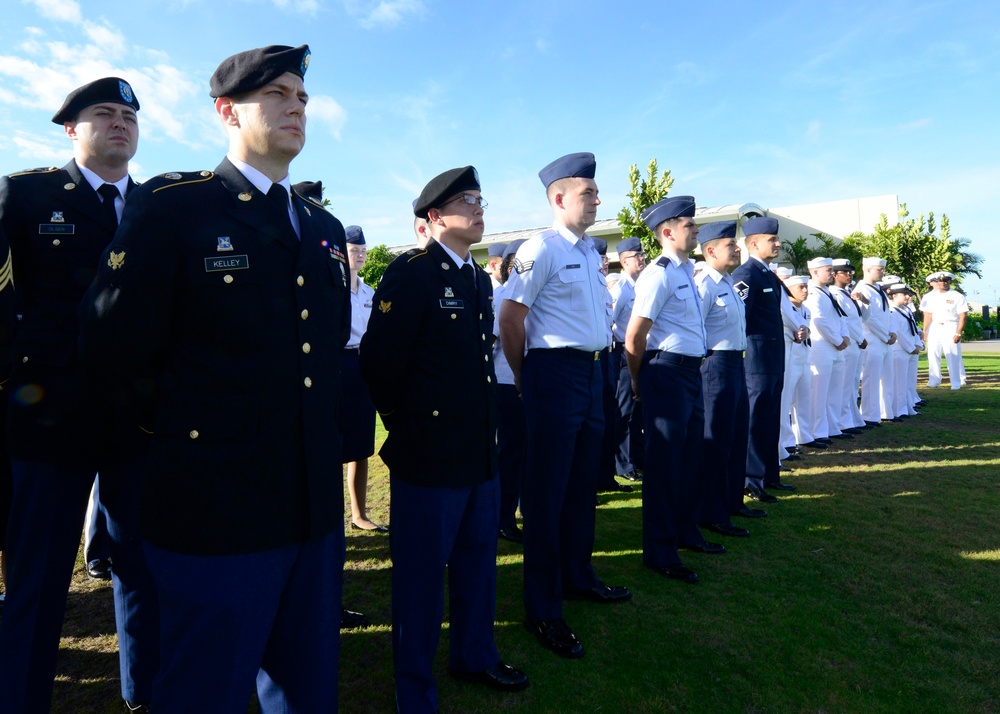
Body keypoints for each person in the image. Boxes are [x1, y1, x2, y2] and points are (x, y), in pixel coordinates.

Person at [79, 45, 350, 713]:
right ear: (227, 110)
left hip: (312, 510)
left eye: (303, 98)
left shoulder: (320, 225)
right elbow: (109, 348)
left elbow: (325, 351)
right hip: (215, 510)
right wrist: (182, 436)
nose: (297, 107)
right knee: (206, 690)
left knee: (306, 689)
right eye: (279, 94)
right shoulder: (175, 209)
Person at [0, 76, 158, 713]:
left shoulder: (158, 205)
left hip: (138, 420)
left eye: (129, 115)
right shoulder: (28, 193)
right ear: (72, 129)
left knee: (141, 564)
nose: (120, 123)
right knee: (37, 576)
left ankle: (143, 691)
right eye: (104, 113)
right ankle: (20, 698)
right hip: (49, 416)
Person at [360, 166, 528, 712]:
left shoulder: (478, 279)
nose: (480, 209)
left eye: (481, 199)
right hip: (430, 456)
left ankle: (474, 655)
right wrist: (412, 426)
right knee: (420, 580)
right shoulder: (411, 273)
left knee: (479, 563)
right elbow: (379, 362)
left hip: (478, 451)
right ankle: (415, 690)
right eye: (467, 201)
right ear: (435, 217)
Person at [499, 152, 631, 661]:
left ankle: (578, 577)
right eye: (588, 193)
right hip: (552, 373)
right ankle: (542, 608)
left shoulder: (591, 253)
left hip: (592, 372)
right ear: (558, 198)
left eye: (597, 193)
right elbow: (511, 318)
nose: (597, 199)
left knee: (582, 487)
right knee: (546, 496)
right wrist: (526, 377)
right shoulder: (542, 248)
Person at [625, 195, 717, 586]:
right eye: (689, 225)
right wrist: (636, 380)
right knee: (664, 466)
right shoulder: (659, 274)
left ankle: (685, 532)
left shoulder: (684, 271)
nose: (695, 230)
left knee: (690, 457)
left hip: (690, 373)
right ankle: (660, 552)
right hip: (665, 373)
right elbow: (635, 335)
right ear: (667, 232)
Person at [694, 221, 751, 539]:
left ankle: (732, 502)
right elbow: (696, 327)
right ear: (711, 250)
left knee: (736, 435)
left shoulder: (728, 283)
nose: (737, 248)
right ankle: (712, 512)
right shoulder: (705, 285)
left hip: (736, 364)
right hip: (715, 366)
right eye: (731, 245)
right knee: (715, 441)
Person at [731, 216, 789, 503]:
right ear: (754, 243)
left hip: (773, 359)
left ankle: (768, 474)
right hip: (756, 360)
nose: (777, 243)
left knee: (770, 415)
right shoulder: (747, 274)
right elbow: (739, 317)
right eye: (772, 240)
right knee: (755, 418)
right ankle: (751, 479)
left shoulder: (767, 273)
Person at [340, 224, 386, 533]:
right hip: (338, 364)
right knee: (333, 444)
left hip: (363, 365)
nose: (359, 256)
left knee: (361, 445)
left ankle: (359, 514)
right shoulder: (333, 290)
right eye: (354, 250)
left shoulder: (370, 293)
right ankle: (331, 514)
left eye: (363, 251)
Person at [494, 239, 528, 543]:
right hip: (506, 383)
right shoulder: (504, 295)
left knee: (526, 453)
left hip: (528, 382)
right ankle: (503, 517)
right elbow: (493, 341)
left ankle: (524, 511)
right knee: (511, 454)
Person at [609, 236, 646, 482]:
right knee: (625, 410)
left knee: (638, 410)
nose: (642, 258)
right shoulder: (621, 288)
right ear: (624, 262)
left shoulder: (640, 286)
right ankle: (623, 464)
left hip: (639, 351)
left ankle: (637, 458)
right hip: (624, 352)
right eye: (636, 256)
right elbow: (608, 319)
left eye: (642, 254)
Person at [804, 258, 850, 445]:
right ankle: (817, 431)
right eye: (828, 270)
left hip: (835, 345)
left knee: (835, 390)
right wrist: (838, 339)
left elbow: (840, 317)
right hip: (822, 345)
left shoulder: (826, 292)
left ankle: (832, 427)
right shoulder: (812, 293)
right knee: (819, 391)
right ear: (815, 272)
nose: (832, 273)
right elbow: (818, 320)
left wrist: (844, 337)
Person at [855, 257, 896, 424]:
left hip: (884, 338)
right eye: (879, 269)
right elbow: (868, 319)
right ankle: (869, 414)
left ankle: (885, 412)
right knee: (871, 378)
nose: (883, 272)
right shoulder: (861, 289)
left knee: (887, 378)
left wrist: (892, 332)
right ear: (867, 269)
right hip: (872, 338)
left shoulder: (878, 288)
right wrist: (886, 335)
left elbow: (888, 313)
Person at [830, 259, 866, 434]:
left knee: (852, 384)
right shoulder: (835, 294)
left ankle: (851, 418)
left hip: (855, 344)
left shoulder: (848, 294)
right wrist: (860, 338)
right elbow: (845, 323)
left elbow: (861, 318)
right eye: (845, 272)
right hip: (849, 343)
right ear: (835, 275)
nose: (850, 275)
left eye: (851, 272)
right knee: (844, 385)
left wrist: (863, 301)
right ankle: (843, 422)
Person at [779, 275, 813, 452]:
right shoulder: (784, 308)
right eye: (800, 287)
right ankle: (785, 442)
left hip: (804, 357)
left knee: (804, 398)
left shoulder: (806, 309)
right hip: (790, 357)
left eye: (806, 286)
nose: (805, 290)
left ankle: (804, 435)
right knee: (785, 401)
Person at [920, 271, 968, 389]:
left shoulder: (957, 296)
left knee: (953, 355)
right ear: (937, 282)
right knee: (933, 354)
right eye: (940, 281)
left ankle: (956, 383)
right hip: (935, 326)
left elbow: (963, 316)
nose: (943, 283)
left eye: (945, 281)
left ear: (950, 282)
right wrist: (924, 331)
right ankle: (934, 380)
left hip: (951, 325)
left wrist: (958, 332)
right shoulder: (931, 296)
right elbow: (928, 315)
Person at [888, 284, 920, 417]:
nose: (908, 297)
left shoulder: (906, 309)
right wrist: (911, 348)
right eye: (904, 294)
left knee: (909, 382)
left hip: (911, 349)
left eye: (909, 294)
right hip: (899, 350)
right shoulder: (891, 310)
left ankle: (908, 406)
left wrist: (918, 344)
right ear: (894, 295)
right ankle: (898, 410)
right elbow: (898, 333)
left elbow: (914, 329)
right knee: (899, 382)